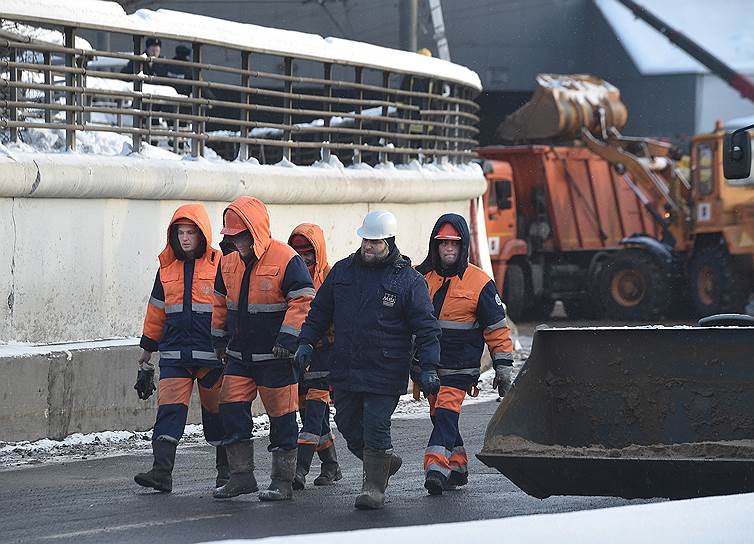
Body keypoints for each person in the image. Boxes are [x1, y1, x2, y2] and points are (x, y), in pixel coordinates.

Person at [295, 210, 441, 510]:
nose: (368, 247)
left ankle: (373, 487)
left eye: (375, 243)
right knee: (347, 424)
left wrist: (428, 367)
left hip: (386, 370)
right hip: (347, 366)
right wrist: (306, 342)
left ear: (389, 242)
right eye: (365, 241)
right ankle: (385, 461)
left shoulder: (408, 281)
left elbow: (426, 328)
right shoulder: (343, 272)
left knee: (375, 426)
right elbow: (319, 312)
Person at [212, 197, 314, 502]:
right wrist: (218, 338)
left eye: (240, 236)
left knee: (282, 418)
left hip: (276, 358)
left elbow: (304, 299)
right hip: (239, 356)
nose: (236, 242)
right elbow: (219, 302)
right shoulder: (227, 262)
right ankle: (241, 477)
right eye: (231, 236)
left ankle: (282, 481)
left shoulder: (286, 258)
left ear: (254, 232)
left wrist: (288, 338)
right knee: (230, 410)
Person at [415, 214, 514, 495]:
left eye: (453, 244)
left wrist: (503, 367)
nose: (448, 249)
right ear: (435, 246)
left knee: (445, 413)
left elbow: (496, 328)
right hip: (429, 366)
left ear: (463, 246)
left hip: (461, 367)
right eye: (443, 243)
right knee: (439, 414)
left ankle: (435, 466)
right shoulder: (421, 278)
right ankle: (457, 466)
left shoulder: (480, 283)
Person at [133, 203, 225, 493]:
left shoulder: (221, 265)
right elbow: (156, 311)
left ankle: (227, 475)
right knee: (169, 413)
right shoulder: (166, 269)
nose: (185, 238)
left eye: (191, 233)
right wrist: (147, 348)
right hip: (174, 356)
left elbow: (229, 308)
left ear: (203, 235)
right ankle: (161, 473)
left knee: (219, 415)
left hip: (213, 358)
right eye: (180, 233)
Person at [287, 224, 341, 490]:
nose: (303, 258)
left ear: (317, 253)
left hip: (325, 357)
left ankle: (299, 470)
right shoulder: (289, 276)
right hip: (298, 356)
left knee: (313, 414)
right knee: (311, 413)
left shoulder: (332, 277)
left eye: (308, 253)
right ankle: (331, 465)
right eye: (298, 253)